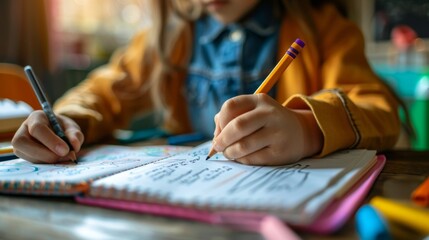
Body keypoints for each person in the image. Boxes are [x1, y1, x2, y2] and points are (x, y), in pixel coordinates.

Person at [12, 0, 401, 165]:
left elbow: (380, 113)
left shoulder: (326, 32)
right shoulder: (167, 37)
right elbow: (103, 90)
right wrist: (64, 118)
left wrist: (306, 127)